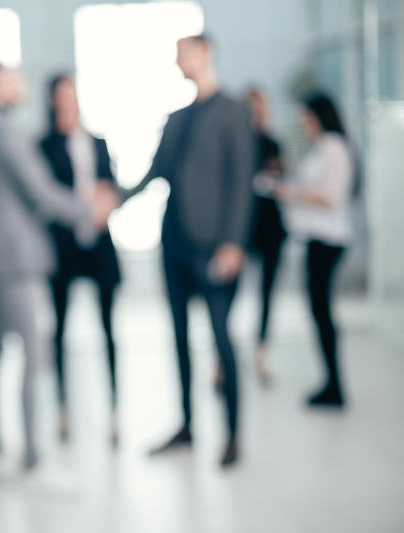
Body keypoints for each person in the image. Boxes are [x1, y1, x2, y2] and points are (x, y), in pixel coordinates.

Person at [0, 58, 117, 474]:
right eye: (13, 77)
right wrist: (90, 211)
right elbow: (41, 191)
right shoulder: (6, 133)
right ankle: (32, 451)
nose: (22, 82)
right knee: (33, 353)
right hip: (16, 258)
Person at [120, 35, 255, 468]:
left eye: (185, 53)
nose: (179, 61)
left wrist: (233, 242)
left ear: (205, 53)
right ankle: (186, 425)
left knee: (221, 338)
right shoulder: (177, 117)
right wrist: (115, 199)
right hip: (175, 243)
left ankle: (233, 434)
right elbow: (154, 173)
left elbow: (242, 180)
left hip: (213, 246)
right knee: (178, 337)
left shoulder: (233, 111)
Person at [39, 73, 122, 446]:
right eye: (63, 95)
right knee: (59, 329)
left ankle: (114, 410)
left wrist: (107, 200)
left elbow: (112, 185)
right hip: (63, 247)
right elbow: (43, 196)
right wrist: (79, 206)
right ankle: (62, 408)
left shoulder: (97, 143)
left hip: (99, 244)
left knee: (108, 329)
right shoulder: (43, 146)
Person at [273, 92, 354, 408]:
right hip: (317, 238)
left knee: (322, 313)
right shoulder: (325, 147)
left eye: (306, 117)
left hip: (327, 239)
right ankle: (331, 381)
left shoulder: (333, 147)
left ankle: (334, 385)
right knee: (320, 312)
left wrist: (291, 193)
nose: (303, 124)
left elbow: (330, 197)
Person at [245, 88, 287, 385]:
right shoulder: (237, 141)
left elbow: (280, 179)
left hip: (270, 228)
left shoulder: (272, 142)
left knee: (266, 296)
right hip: (242, 228)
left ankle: (261, 355)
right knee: (227, 294)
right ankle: (222, 359)